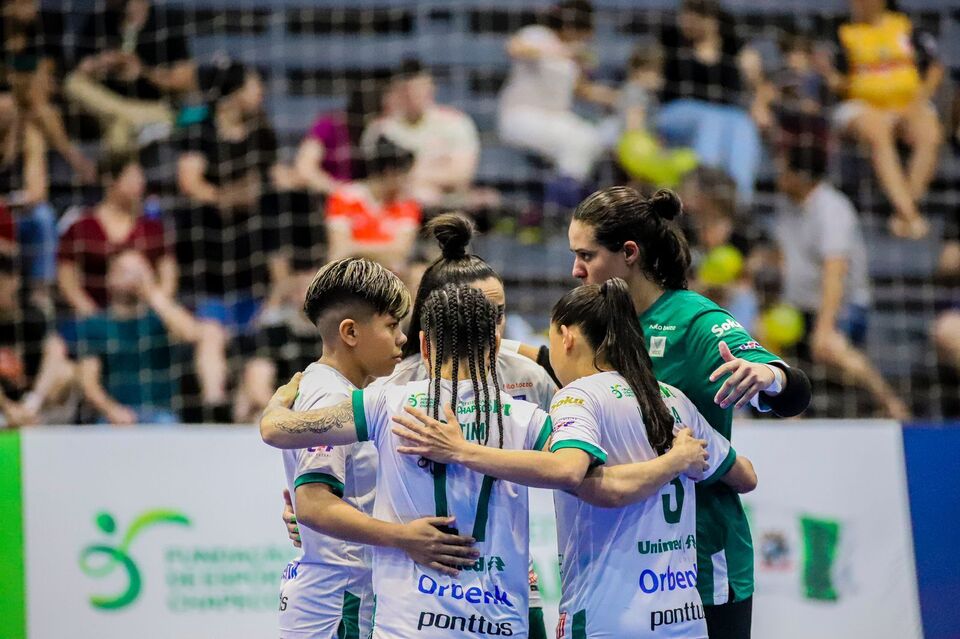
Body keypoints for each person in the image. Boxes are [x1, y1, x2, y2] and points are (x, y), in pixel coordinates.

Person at [391, 279, 758, 638]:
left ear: (566, 338)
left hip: (608, 616)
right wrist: (680, 460)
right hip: (681, 615)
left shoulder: (577, 398)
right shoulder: (673, 398)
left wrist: (462, 451)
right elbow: (745, 477)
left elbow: (581, 477)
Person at [547, 187, 810, 639]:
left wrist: (769, 376)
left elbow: (793, 390)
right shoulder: (605, 319)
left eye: (586, 255)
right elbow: (561, 367)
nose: (575, 269)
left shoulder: (694, 320)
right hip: (633, 557)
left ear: (629, 253)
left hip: (700, 551)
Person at [281, 213, 558, 637]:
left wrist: (275, 418)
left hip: (503, 583)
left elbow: (579, 461)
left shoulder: (529, 375)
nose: (492, 326)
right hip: (402, 591)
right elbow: (321, 487)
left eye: (498, 313)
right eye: (482, 315)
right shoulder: (393, 385)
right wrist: (313, 505)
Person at [274, 258, 478, 639]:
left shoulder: (354, 394)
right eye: (391, 326)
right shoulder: (327, 395)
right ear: (350, 332)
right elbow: (314, 505)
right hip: (337, 602)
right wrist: (406, 538)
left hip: (346, 591)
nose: (402, 338)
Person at [774, 142, 909, 418]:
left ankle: (892, 405)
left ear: (800, 176)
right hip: (797, 309)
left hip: (842, 307)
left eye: (784, 168)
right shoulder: (787, 205)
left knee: (831, 347)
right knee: (760, 337)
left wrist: (824, 327)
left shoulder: (832, 209)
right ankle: (790, 415)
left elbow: (835, 273)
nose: (778, 173)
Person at [817, 0, 943, 239]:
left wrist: (915, 104)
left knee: (929, 132)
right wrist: (835, 79)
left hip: (909, 103)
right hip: (860, 106)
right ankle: (910, 215)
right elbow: (835, 82)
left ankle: (905, 211)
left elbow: (935, 69)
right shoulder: (841, 32)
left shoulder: (906, 26)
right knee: (877, 130)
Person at [497, 0, 609, 208]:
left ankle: (565, 200)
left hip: (556, 117)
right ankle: (559, 209)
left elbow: (581, 91)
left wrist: (617, 97)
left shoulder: (576, 55)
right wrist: (561, 51)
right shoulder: (538, 35)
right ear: (570, 26)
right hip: (521, 116)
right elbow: (513, 48)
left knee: (593, 139)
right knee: (576, 142)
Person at [656, 0, 765, 204]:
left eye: (692, 16)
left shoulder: (734, 46)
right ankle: (704, 193)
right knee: (712, 118)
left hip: (727, 116)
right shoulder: (670, 39)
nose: (685, 21)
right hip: (674, 113)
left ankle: (738, 201)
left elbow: (758, 83)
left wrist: (759, 104)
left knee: (744, 125)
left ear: (711, 20)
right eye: (684, 16)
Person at [76, 250, 202, 424]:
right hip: (112, 416)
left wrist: (151, 292)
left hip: (161, 415)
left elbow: (191, 334)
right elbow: (88, 382)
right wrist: (112, 410)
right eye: (124, 271)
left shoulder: (160, 318)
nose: (132, 277)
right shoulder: (95, 324)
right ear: (110, 278)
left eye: (139, 271)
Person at [362, 61, 496, 214]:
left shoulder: (456, 122)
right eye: (407, 90)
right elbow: (377, 179)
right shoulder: (380, 129)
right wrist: (433, 171)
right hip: (395, 207)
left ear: (431, 88)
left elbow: (461, 176)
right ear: (396, 91)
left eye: (419, 89)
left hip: (448, 205)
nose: (413, 96)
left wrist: (411, 174)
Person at [67, 0, 196, 153]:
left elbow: (185, 82)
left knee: (118, 136)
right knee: (72, 83)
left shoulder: (167, 21)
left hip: (150, 107)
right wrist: (102, 62)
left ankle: (127, 120)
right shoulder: (101, 19)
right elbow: (79, 69)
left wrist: (143, 71)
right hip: (108, 102)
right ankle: (129, 118)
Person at [57, 154, 176, 316]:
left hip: (147, 318)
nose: (139, 183)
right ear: (110, 181)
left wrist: (156, 311)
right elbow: (67, 281)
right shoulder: (81, 228)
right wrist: (93, 317)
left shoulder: (153, 228)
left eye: (140, 177)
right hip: (94, 319)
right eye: (131, 177)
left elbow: (168, 277)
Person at [0, 252, 76, 427]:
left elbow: (56, 350)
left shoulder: (32, 315)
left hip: (32, 401)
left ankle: (34, 415)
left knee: (66, 371)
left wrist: (33, 401)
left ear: (14, 282)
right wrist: (8, 407)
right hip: (4, 405)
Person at [324, 135, 421, 271]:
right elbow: (339, 248)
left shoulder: (408, 204)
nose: (408, 181)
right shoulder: (344, 196)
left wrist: (353, 247)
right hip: (350, 273)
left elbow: (400, 251)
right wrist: (385, 250)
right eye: (405, 175)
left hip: (390, 276)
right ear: (390, 173)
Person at [294, 83, 387, 194]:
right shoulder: (328, 125)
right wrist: (335, 189)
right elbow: (305, 167)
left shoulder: (374, 135)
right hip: (327, 196)